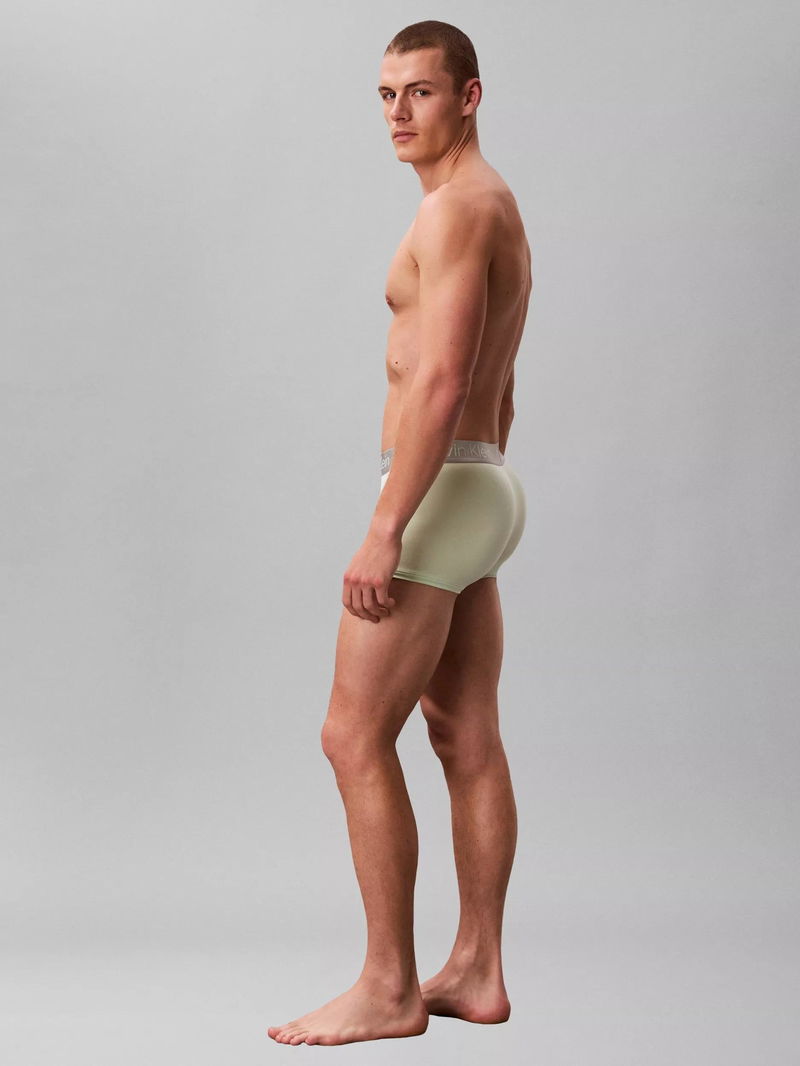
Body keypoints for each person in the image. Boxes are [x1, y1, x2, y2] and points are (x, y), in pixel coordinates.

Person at [268, 19, 532, 1047]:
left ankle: (387, 985)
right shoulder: (491, 201)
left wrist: (388, 527)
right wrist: (471, 496)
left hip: (438, 492)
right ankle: (476, 968)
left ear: (469, 96)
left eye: (419, 92)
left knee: (351, 734)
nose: (397, 113)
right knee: (463, 731)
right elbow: (494, 387)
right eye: (385, 94)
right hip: (480, 484)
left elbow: (444, 376)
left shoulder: (454, 208)